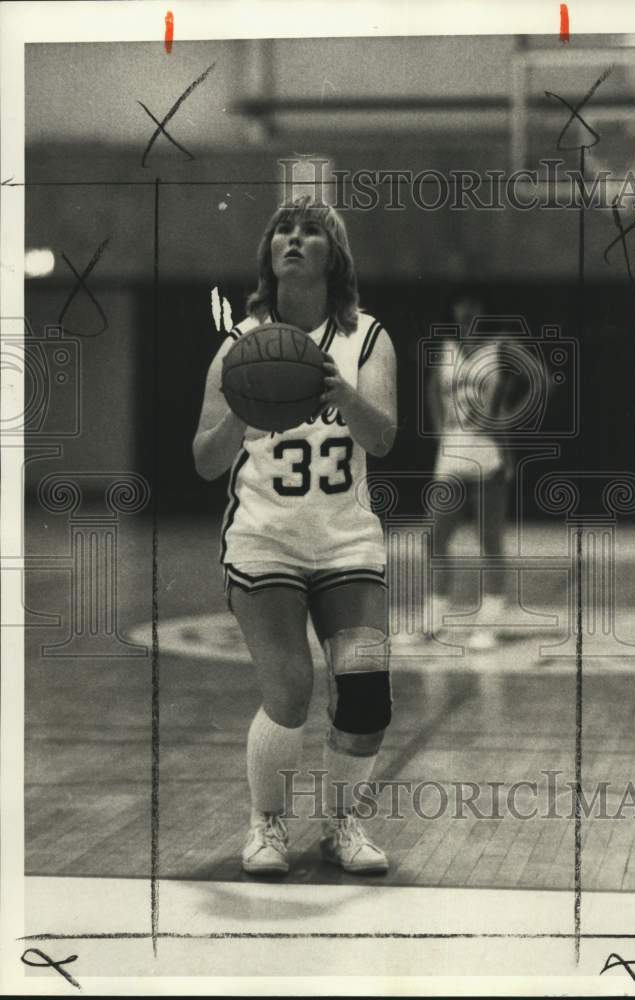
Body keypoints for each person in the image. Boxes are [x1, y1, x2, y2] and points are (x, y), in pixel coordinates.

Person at [193, 195, 397, 876]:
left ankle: (342, 826)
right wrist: (240, 412)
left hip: (346, 542)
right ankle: (267, 823)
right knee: (289, 686)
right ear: (269, 252)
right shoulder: (239, 345)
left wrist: (344, 395)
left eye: (311, 231)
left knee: (365, 694)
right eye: (284, 229)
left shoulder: (368, 338)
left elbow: (384, 438)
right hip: (266, 539)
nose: (294, 238)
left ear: (333, 255)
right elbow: (205, 460)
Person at [426, 290, 518, 650]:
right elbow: (432, 392)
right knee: (436, 537)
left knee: (489, 541)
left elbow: (536, 384)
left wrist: (503, 433)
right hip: (452, 451)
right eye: (460, 303)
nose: (465, 309)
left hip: (487, 451)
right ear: (453, 308)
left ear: (482, 309)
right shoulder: (446, 349)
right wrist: (441, 432)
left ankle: (489, 623)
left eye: (472, 304)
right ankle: (435, 617)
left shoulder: (498, 349)